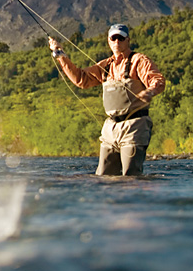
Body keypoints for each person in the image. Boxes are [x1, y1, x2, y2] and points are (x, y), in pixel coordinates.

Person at [48, 24, 165, 176]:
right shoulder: (105, 65)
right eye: (113, 38)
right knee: (103, 176)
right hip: (110, 129)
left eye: (121, 38)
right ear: (109, 41)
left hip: (134, 126)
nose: (117, 41)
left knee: (131, 176)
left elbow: (157, 80)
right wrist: (60, 55)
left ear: (127, 40)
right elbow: (81, 79)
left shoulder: (139, 60)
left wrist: (150, 91)